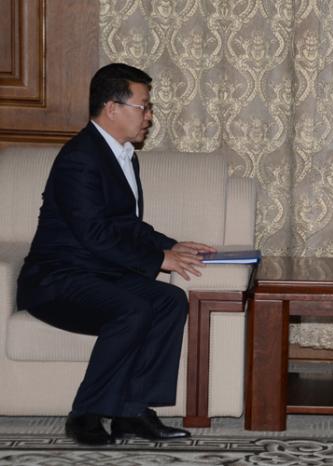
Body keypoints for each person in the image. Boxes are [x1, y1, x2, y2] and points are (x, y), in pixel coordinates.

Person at [16, 63, 216, 445]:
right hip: (58, 280)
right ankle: (85, 414)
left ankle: (131, 412)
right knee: (133, 309)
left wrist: (170, 245)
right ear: (112, 108)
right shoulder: (80, 158)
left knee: (170, 300)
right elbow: (94, 234)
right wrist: (159, 260)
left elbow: (126, 225)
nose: (149, 116)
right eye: (144, 106)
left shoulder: (122, 154)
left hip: (97, 276)